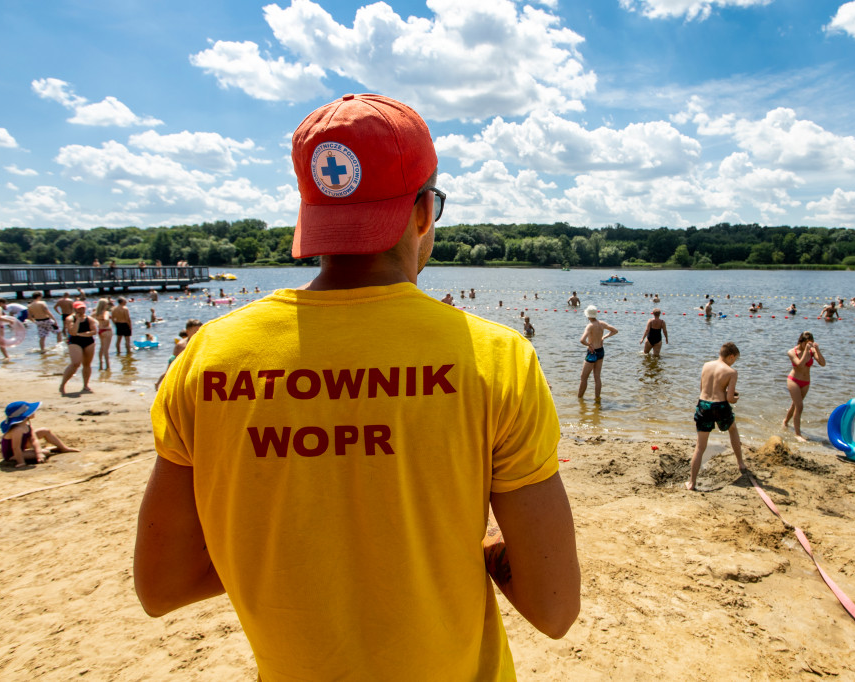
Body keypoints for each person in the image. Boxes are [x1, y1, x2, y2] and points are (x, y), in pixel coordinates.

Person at [135, 93, 579, 680]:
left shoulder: (209, 357)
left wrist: (290, 546)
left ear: (311, 216)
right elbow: (554, 607)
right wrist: (463, 547)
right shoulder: (495, 358)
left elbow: (161, 585)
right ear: (423, 213)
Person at [687, 342, 745, 491]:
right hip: (719, 406)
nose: (734, 362)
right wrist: (734, 398)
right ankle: (740, 463)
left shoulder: (706, 365)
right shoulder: (731, 372)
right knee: (732, 429)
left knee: (700, 447)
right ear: (731, 357)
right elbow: (730, 398)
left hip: (704, 405)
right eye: (735, 359)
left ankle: (692, 483)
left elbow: (702, 389)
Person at [0, 401, 78, 468]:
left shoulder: (27, 425)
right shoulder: (17, 430)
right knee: (45, 452)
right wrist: (21, 462)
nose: (34, 412)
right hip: (13, 454)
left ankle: (63, 448)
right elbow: (16, 448)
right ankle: (48, 449)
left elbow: (34, 439)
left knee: (45, 431)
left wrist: (38, 453)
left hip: (22, 445)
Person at [783, 331, 825, 442]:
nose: (809, 346)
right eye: (807, 343)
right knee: (799, 406)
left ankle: (785, 422)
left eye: (811, 343)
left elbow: (822, 363)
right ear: (801, 341)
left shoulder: (812, 351)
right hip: (794, 380)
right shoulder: (792, 352)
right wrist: (806, 351)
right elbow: (800, 365)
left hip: (806, 382)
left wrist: (817, 350)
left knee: (795, 405)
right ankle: (798, 434)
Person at [578, 304, 618, 400]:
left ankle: (579, 399)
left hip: (592, 352)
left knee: (583, 378)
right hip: (600, 351)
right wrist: (604, 337)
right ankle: (597, 400)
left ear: (588, 315)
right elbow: (615, 330)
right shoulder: (602, 324)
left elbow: (582, 340)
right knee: (597, 377)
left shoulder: (590, 326)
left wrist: (589, 345)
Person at [60, 301, 97, 395]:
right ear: (75, 309)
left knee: (87, 364)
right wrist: (77, 320)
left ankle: (85, 385)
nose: (82, 310)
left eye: (83, 308)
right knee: (75, 363)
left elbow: (94, 331)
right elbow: (72, 332)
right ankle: (63, 385)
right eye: (79, 308)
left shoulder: (89, 319)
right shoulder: (70, 318)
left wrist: (85, 334)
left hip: (88, 341)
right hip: (75, 341)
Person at [94, 298, 114, 370]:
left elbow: (90, 318)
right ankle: (107, 366)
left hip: (100, 330)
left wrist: (97, 322)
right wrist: (107, 320)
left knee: (102, 348)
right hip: (107, 330)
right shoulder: (106, 312)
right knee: (106, 350)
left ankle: (100, 363)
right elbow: (105, 319)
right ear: (105, 305)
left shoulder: (96, 312)